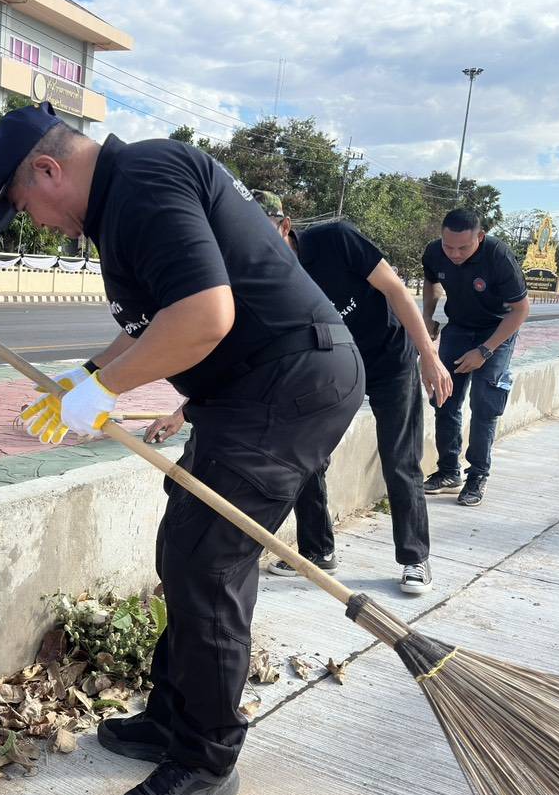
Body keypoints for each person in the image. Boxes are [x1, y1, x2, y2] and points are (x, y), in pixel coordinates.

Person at [0, 102, 364, 795]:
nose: (33, 221)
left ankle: (205, 758)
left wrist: (103, 391)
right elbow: (156, 324)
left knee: (207, 563)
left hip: (287, 384)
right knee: (186, 551)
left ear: (47, 169)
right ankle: (171, 717)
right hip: (253, 388)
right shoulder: (128, 198)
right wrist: (87, 375)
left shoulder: (145, 179)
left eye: (23, 204)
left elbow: (203, 317)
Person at [150, 212, 453, 595]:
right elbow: (240, 356)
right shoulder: (256, 277)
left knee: (399, 459)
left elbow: (394, 289)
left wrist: (429, 354)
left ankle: (414, 557)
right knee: (303, 458)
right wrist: (183, 411)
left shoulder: (336, 241)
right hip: (330, 371)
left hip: (388, 361)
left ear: (285, 225)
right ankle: (317, 550)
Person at [420, 208, 531, 507]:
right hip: (458, 329)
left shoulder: (498, 256)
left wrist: (484, 351)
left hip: (497, 331)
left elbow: (521, 310)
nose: (455, 254)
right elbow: (431, 283)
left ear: (480, 238)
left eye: (463, 247)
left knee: (484, 403)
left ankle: (477, 475)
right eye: (449, 246)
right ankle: (448, 471)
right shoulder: (434, 252)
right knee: (444, 398)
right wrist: (427, 317)